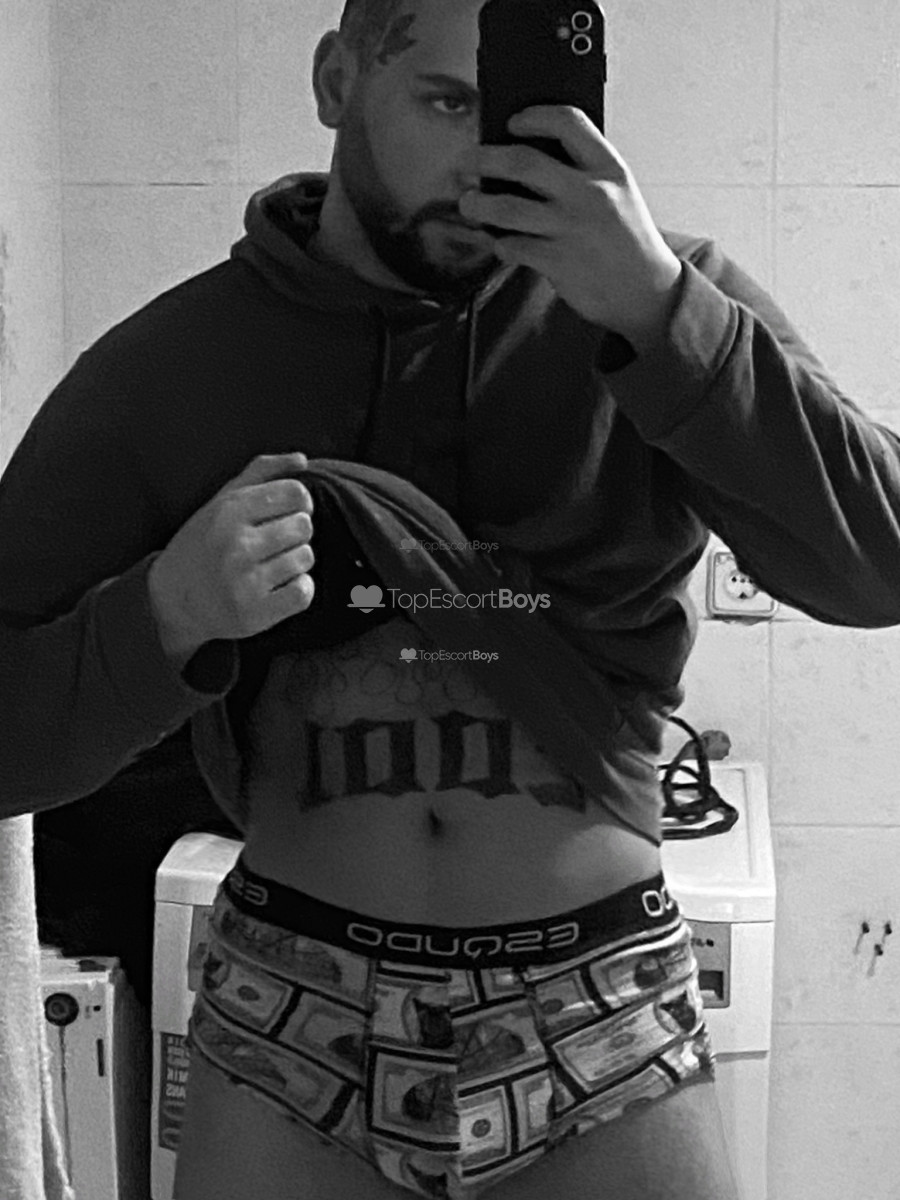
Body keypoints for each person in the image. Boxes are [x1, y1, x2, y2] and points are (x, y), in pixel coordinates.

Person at [2, 1, 900, 1197]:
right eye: (446, 102)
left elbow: (880, 563)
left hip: (597, 998)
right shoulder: (172, 365)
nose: (488, 159)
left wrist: (657, 309)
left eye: (523, 111)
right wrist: (163, 616)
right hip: (291, 1013)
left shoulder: (662, 301)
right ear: (336, 81)